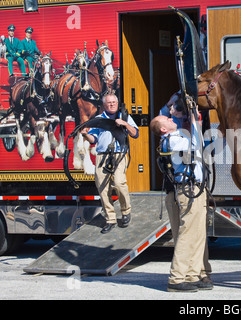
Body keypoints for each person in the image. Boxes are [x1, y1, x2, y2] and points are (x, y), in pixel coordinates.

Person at [150, 113, 212, 292]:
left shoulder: (175, 137)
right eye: (167, 120)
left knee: (198, 232)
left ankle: (192, 274)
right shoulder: (173, 141)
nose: (171, 119)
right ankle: (177, 278)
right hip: (188, 189)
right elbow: (194, 148)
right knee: (187, 233)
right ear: (163, 129)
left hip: (195, 187)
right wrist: (194, 123)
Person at [81, 94, 139, 234]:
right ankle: (110, 219)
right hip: (102, 155)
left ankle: (126, 211)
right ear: (104, 105)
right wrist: (84, 134)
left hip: (119, 154)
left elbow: (135, 133)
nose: (112, 105)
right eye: (109, 103)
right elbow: (93, 139)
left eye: (114, 102)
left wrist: (125, 124)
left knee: (119, 183)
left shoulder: (124, 116)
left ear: (117, 103)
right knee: (103, 188)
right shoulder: (99, 120)